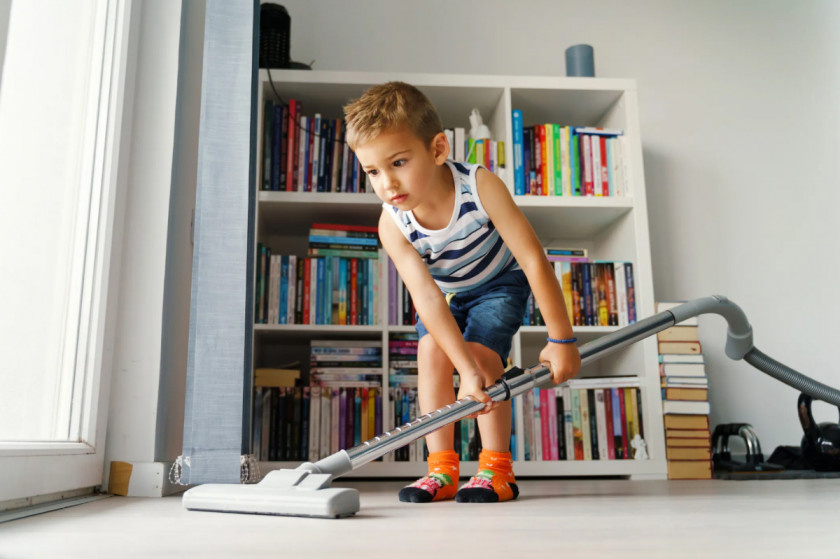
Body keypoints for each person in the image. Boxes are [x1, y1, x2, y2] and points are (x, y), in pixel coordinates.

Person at [343, 82, 581, 503]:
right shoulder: (392, 223)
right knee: (431, 353)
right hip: (448, 296)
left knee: (484, 360)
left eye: (398, 162)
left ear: (437, 149)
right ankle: (442, 471)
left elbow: (532, 260)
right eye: (373, 172)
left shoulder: (479, 186)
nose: (387, 183)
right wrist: (461, 371)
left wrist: (561, 340)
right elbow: (428, 299)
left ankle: (496, 470)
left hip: (499, 283)